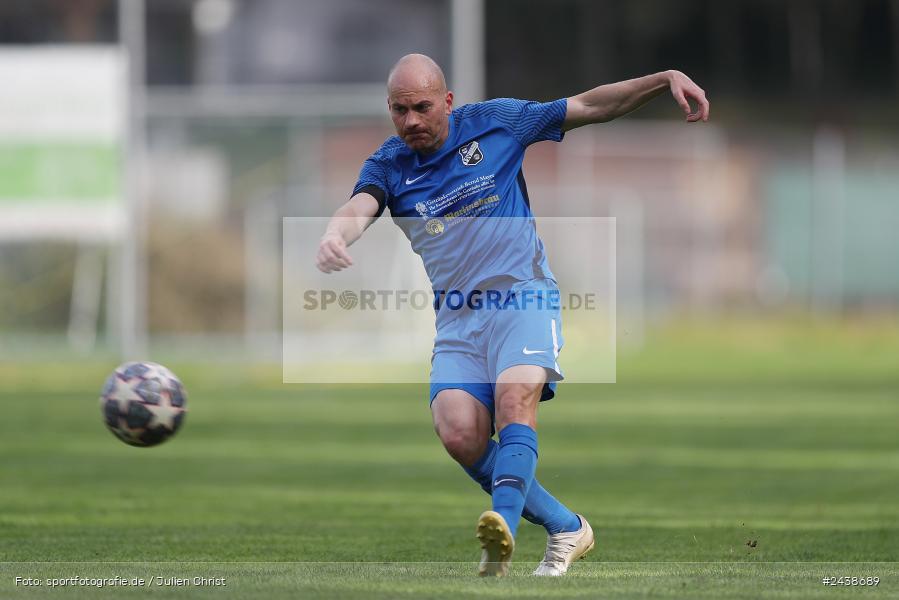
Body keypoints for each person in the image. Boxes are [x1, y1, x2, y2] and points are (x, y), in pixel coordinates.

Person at [316, 54, 709, 577]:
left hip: (523, 295)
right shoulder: (388, 165)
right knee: (458, 433)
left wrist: (664, 80)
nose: (411, 120)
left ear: (448, 102)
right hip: (457, 319)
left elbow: (590, 104)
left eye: (422, 107)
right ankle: (567, 526)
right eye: (399, 110)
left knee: (513, 396)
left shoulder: (499, 123)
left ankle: (500, 528)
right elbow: (358, 207)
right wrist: (332, 235)